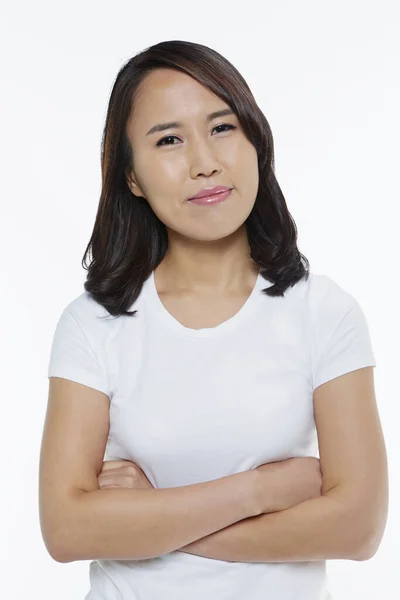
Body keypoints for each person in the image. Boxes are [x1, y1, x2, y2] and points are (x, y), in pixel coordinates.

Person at [39, 40, 387, 600]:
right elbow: (66, 529)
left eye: (222, 128)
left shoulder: (324, 313)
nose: (205, 162)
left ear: (256, 140)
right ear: (132, 177)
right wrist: (263, 489)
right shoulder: (93, 325)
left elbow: (358, 529)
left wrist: (147, 519)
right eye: (169, 140)